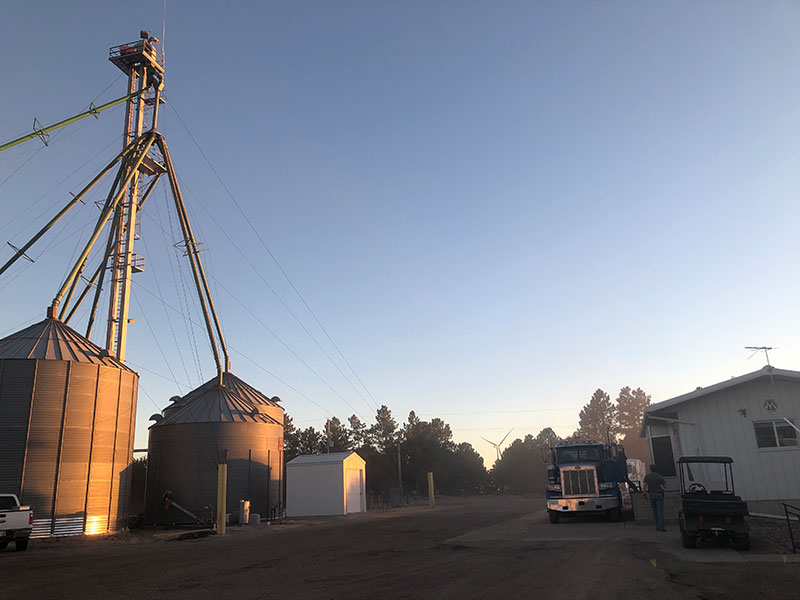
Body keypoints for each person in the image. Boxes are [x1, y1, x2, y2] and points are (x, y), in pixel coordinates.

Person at [644, 464, 667, 531]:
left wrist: (644, 494)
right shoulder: (659, 476)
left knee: (654, 511)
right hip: (659, 494)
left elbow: (645, 486)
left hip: (651, 494)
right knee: (660, 511)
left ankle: (657, 526)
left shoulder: (647, 476)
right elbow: (665, 486)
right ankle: (661, 527)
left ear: (650, 469)